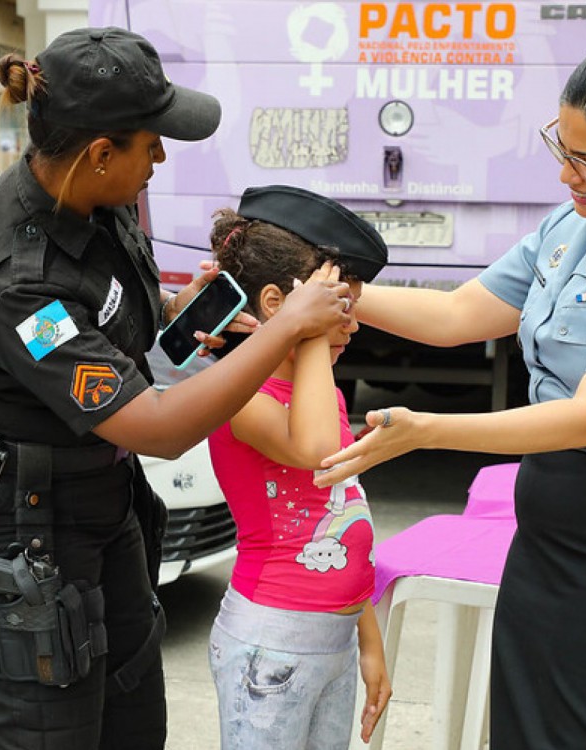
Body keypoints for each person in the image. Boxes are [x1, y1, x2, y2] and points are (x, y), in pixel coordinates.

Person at [0, 28, 352, 750]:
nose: (161, 159)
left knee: (135, 714)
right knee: (57, 730)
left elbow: (115, 323)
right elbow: (158, 427)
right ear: (100, 153)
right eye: (152, 143)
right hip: (15, 512)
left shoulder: (94, 197)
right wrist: (286, 329)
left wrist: (182, 310)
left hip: (94, 492)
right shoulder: (19, 285)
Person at [312, 38, 586, 749]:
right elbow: (458, 313)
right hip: (553, 520)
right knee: (522, 728)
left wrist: (429, 431)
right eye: (562, 148)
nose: (567, 174)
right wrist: (325, 297)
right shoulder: (578, 222)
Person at [202, 186, 393, 750]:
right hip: (271, 643)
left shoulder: (319, 391)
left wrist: (368, 641)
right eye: (338, 308)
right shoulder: (241, 393)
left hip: (334, 640)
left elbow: (342, 512)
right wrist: (303, 330)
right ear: (274, 303)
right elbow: (313, 450)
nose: (351, 325)